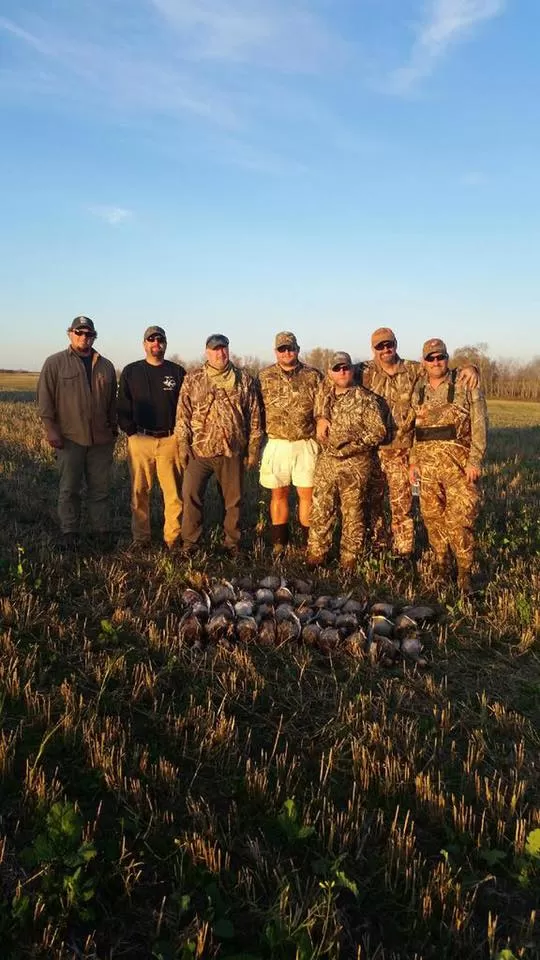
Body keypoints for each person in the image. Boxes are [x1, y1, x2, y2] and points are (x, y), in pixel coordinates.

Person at [347, 328, 479, 564]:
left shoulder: (413, 369)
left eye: (389, 344)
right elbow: (335, 378)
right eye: (380, 346)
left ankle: (403, 551)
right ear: (373, 349)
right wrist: (321, 418)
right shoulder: (362, 371)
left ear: (396, 344)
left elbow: (440, 369)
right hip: (371, 449)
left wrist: (471, 368)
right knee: (373, 502)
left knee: (401, 505)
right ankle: (378, 545)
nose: (385, 349)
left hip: (401, 448)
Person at [409, 338, 488, 593]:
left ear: (447, 357)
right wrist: (413, 462)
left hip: (459, 468)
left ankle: (465, 572)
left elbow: (480, 424)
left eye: (440, 357)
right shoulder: (419, 389)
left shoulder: (465, 384)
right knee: (433, 519)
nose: (436, 362)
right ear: (424, 361)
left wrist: (475, 459)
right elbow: (415, 430)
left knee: (461, 520)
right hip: (428, 470)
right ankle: (442, 565)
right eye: (430, 358)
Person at [175, 334, 262, 557]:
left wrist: (252, 449)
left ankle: (232, 543)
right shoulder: (193, 379)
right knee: (191, 497)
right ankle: (190, 544)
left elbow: (254, 417)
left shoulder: (244, 380)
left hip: (231, 451)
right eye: (215, 349)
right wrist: (183, 445)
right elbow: (183, 415)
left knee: (233, 502)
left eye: (223, 349)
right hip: (199, 451)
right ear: (207, 352)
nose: (220, 353)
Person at [37, 316, 117, 548]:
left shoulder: (106, 365)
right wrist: (51, 429)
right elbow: (45, 400)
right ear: (70, 333)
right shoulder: (54, 363)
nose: (84, 337)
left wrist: (113, 429)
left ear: (94, 336)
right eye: (79, 333)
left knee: (100, 489)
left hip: (101, 439)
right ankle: (69, 532)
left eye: (89, 334)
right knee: (69, 488)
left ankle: (101, 531)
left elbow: (112, 402)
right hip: (69, 438)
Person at [307, 352, 387, 571]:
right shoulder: (324, 397)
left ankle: (349, 559)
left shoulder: (366, 398)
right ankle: (317, 555)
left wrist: (351, 446)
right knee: (321, 509)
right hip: (327, 463)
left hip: (355, 463)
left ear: (352, 370)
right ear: (330, 373)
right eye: (337, 368)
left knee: (353, 512)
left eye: (346, 368)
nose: (342, 372)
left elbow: (378, 431)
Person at [117, 326, 185, 550]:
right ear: (144, 344)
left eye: (160, 339)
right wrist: (130, 431)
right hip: (140, 439)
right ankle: (141, 538)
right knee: (139, 492)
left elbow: (185, 407)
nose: (156, 343)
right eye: (151, 339)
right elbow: (122, 404)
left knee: (173, 494)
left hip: (170, 440)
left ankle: (172, 538)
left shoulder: (177, 372)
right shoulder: (131, 371)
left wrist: (179, 435)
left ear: (166, 343)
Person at [257, 332, 323, 556]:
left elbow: (323, 407)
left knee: (308, 494)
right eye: (282, 349)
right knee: (279, 495)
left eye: (291, 348)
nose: (287, 353)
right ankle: (279, 544)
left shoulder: (313, 375)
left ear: (298, 349)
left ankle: (308, 544)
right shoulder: (264, 377)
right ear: (276, 352)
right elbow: (256, 411)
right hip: (277, 443)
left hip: (306, 443)